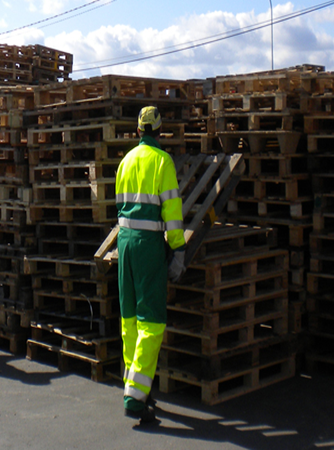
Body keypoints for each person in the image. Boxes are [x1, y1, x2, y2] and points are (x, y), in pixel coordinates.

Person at [115, 106, 186, 422]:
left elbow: (119, 205)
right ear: (160, 130)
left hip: (125, 242)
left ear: (137, 131)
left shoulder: (126, 161)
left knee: (129, 317)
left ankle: (134, 383)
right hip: (148, 247)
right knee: (152, 320)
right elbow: (171, 210)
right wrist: (178, 249)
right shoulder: (162, 162)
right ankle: (135, 397)